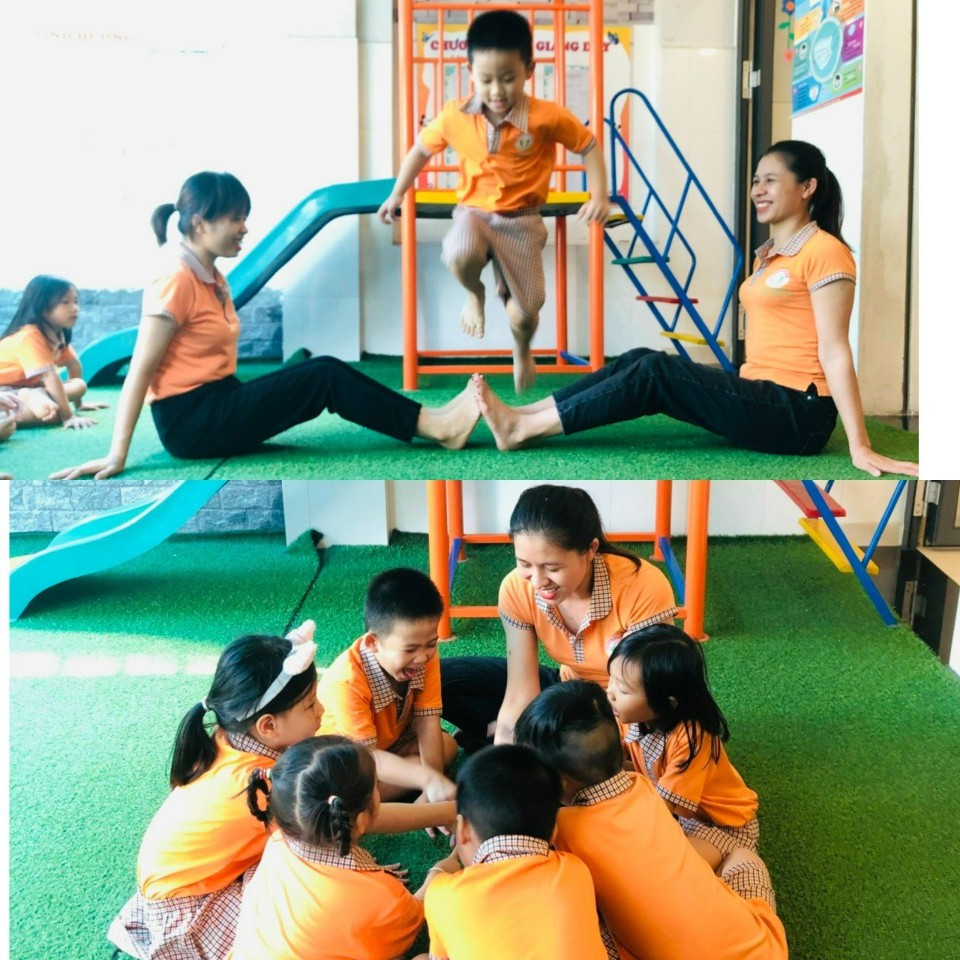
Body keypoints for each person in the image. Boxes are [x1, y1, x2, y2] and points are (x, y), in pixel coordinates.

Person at [473, 140, 919, 478]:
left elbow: (835, 350)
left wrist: (859, 445)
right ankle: (527, 415)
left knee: (657, 373)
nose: (758, 190)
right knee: (641, 358)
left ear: (807, 187)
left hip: (799, 414)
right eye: (756, 181)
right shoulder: (770, 256)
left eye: (770, 180)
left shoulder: (825, 252)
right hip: (763, 392)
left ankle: (522, 430)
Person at [51, 171, 480, 481]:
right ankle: (436, 427)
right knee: (324, 375)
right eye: (235, 218)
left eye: (244, 217)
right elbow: (141, 370)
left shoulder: (210, 274)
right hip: (191, 423)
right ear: (200, 223)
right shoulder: (175, 279)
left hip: (218, 400)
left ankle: (434, 418)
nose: (245, 228)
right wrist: (117, 453)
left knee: (322, 370)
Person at [377, 9, 612, 393]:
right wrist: (397, 192)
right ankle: (475, 294)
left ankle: (522, 347)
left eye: (508, 78)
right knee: (459, 252)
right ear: (470, 71)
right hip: (475, 213)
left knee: (526, 312)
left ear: (529, 70)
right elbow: (421, 150)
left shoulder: (546, 117)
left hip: (523, 219)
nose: (497, 91)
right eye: (486, 80)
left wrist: (599, 194)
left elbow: (588, 145)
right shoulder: (455, 116)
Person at [515, 682, 788, 960]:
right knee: (745, 857)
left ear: (559, 782)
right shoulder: (642, 787)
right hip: (762, 951)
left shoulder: (563, 829)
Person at [107, 623, 323, 960]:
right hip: (190, 911)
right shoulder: (256, 784)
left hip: (187, 882)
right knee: (309, 904)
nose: (322, 710)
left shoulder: (230, 738)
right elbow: (338, 816)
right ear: (267, 725)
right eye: (310, 706)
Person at [440, 484, 676, 749]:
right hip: (567, 688)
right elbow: (521, 692)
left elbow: (649, 699)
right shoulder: (516, 588)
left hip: (624, 705)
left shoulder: (642, 586)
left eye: (552, 568)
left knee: (580, 743)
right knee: (439, 679)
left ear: (590, 549)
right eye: (525, 564)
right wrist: (507, 747)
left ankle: (543, 746)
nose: (538, 581)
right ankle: (521, 743)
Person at [228, 736, 459, 960]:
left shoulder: (281, 839)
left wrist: (448, 811)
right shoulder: (376, 895)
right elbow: (412, 920)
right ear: (361, 818)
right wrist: (439, 874)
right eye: (376, 786)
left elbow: (371, 818)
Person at [418, 744, 610, 960]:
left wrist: (436, 874)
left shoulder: (441, 895)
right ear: (554, 832)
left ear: (462, 829)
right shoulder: (575, 869)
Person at [607, 624, 760, 870]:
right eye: (611, 679)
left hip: (722, 825)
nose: (610, 693)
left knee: (667, 866)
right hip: (680, 816)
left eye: (623, 690)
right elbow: (607, 757)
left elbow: (661, 811)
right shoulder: (629, 717)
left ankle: (737, 864)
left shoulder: (693, 739)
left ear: (667, 703)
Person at [318, 567, 458, 804]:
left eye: (431, 644)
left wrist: (431, 788)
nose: (422, 657)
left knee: (449, 745)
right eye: (409, 649)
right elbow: (367, 757)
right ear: (373, 643)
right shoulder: (346, 682)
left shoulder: (425, 656)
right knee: (354, 793)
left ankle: (409, 779)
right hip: (350, 760)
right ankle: (394, 785)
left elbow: (427, 720)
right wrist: (429, 780)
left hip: (392, 746)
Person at [0, 274, 108, 430]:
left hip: (32, 389)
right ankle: (32, 398)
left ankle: (37, 395)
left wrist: (79, 404)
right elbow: (49, 376)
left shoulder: (56, 334)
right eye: (65, 302)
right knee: (51, 415)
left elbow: (73, 364)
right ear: (42, 308)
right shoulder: (29, 335)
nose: (75, 308)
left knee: (79, 385)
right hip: (4, 393)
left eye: (75, 301)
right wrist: (68, 417)